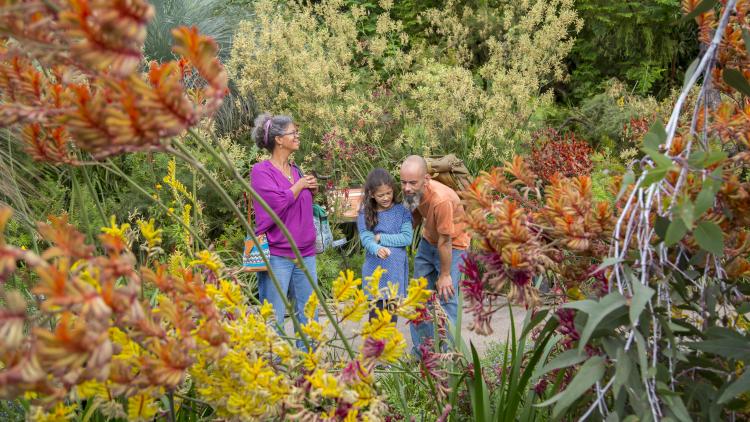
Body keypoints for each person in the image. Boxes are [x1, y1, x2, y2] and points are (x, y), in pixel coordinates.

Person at [250, 113, 318, 348]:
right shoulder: (261, 172)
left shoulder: (296, 170)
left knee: (309, 316)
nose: (297, 136)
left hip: (306, 254)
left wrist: (309, 189)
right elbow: (273, 205)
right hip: (278, 255)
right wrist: (298, 186)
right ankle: (275, 370)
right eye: (293, 133)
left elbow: (297, 205)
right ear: (279, 139)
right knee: (274, 317)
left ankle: (309, 369)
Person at [399, 155, 470, 351]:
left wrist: (445, 275)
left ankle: (449, 355)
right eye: (403, 182)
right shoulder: (411, 191)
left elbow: (445, 240)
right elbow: (413, 216)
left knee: (446, 297)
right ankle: (424, 352)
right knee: (418, 296)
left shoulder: (441, 200)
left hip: (453, 246)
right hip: (429, 240)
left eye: (412, 182)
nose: (407, 187)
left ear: (426, 179)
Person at [357, 168, 412, 322]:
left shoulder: (402, 211)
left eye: (389, 193)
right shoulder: (365, 213)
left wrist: (380, 238)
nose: (386, 198)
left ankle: (388, 347)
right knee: (376, 318)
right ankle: (376, 346)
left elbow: (407, 238)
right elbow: (366, 238)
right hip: (375, 272)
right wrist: (376, 248)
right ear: (372, 194)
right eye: (381, 195)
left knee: (391, 319)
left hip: (394, 273)